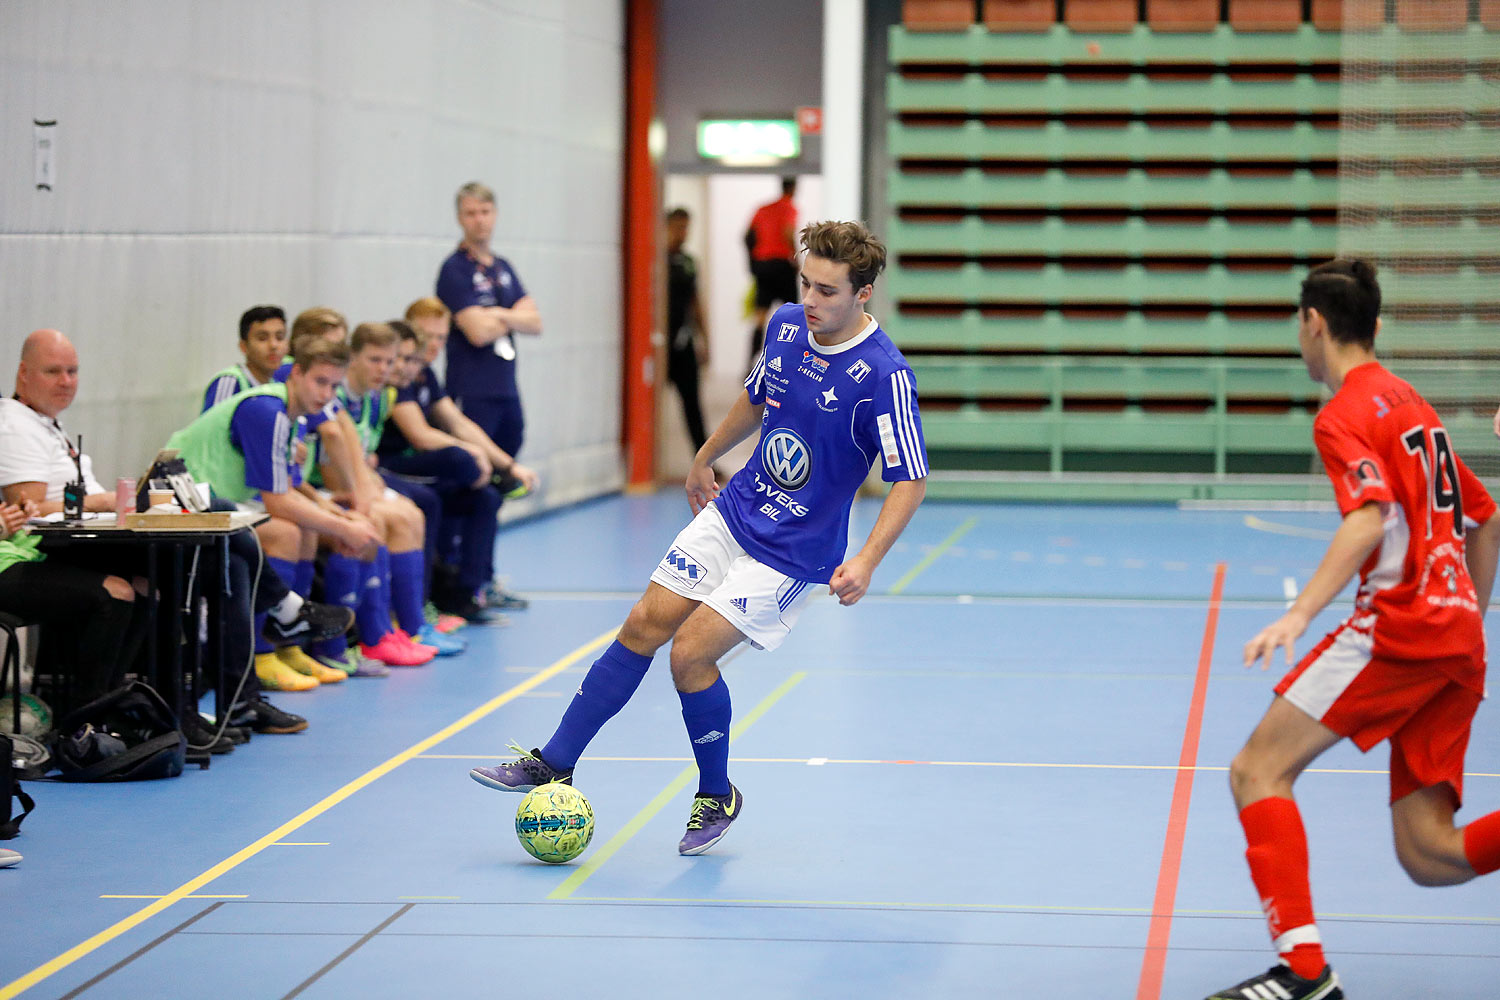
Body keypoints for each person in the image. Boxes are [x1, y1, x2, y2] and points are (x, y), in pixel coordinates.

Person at [470, 221, 929, 856]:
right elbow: (756, 398)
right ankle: (556, 760)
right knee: (641, 624)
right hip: (737, 508)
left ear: (865, 293)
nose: (812, 299)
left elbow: (910, 478)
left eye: (827, 290)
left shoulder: (884, 375)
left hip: (794, 553)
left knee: (689, 655)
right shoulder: (788, 326)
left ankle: (717, 793)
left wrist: (868, 559)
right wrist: (703, 456)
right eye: (806, 283)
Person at [1206, 260, 1500, 1000]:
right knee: (1431, 855)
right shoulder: (1415, 405)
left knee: (1256, 770)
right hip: (1456, 638)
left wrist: (1300, 613)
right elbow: (1485, 517)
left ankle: (1305, 973)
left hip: (1402, 631)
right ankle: (1306, 972)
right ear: (1374, 324)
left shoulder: (1345, 414)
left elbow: (1367, 520)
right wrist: (1470, 619)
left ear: (1313, 323)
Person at [0, 330, 344, 739]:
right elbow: (30, 512)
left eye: (72, 371)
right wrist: (106, 502)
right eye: (53, 371)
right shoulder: (14, 425)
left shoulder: (49, 425)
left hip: (86, 540)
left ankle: (216, 703)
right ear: (23, 374)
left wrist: (113, 504)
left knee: (218, 556)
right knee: (210, 541)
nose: (66, 381)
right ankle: (276, 620)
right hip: (48, 551)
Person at [166, 336, 388, 695]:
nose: (326, 394)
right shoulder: (266, 411)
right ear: (296, 373)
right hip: (179, 501)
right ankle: (264, 654)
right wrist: (344, 529)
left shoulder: (288, 414)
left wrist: (340, 519)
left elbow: (289, 486)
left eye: (334, 386)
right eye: (319, 382)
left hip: (217, 502)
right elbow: (278, 503)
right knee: (285, 532)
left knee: (307, 531)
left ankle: (290, 645)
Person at [383, 310, 538, 622]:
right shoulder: (394, 381)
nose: (434, 345)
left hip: (422, 469)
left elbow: (458, 422)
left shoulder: (424, 374)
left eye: (441, 337)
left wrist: (507, 465)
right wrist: (473, 455)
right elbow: (420, 435)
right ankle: (424, 601)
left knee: (486, 498)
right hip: (395, 467)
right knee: (456, 465)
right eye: (427, 336)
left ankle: (467, 594)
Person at [435, 182, 541, 611]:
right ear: (461, 218)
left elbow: (535, 321)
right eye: (471, 213)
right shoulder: (454, 270)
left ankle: (485, 576)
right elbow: (476, 332)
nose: (479, 220)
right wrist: (507, 316)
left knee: (500, 489)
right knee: (474, 482)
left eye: (485, 211)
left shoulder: (503, 268)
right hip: (471, 394)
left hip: (505, 393)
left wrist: (494, 313)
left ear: (495, 214)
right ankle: (458, 580)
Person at [0, 497, 145, 709]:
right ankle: (86, 719)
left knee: (142, 589)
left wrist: (20, 515)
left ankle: (112, 703)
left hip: (25, 554)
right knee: (115, 593)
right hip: (5, 569)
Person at [665, 207, 710, 455]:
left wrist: (704, 339)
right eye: (677, 227)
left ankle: (704, 459)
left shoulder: (689, 263)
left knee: (693, 404)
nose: (682, 233)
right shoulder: (656, 260)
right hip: (659, 345)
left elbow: (696, 303)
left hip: (683, 342)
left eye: (685, 228)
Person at [744, 177, 799, 364]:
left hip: (763, 266)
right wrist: (796, 258)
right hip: (782, 265)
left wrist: (752, 263)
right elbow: (788, 232)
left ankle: (750, 362)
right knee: (793, 315)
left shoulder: (762, 208)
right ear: (793, 188)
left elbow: (747, 235)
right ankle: (791, 360)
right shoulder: (790, 207)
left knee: (760, 316)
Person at [203, 305, 288, 411]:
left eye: (280, 337)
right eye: (262, 338)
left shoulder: (280, 389)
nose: (274, 345)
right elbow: (213, 426)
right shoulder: (230, 382)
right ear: (244, 346)